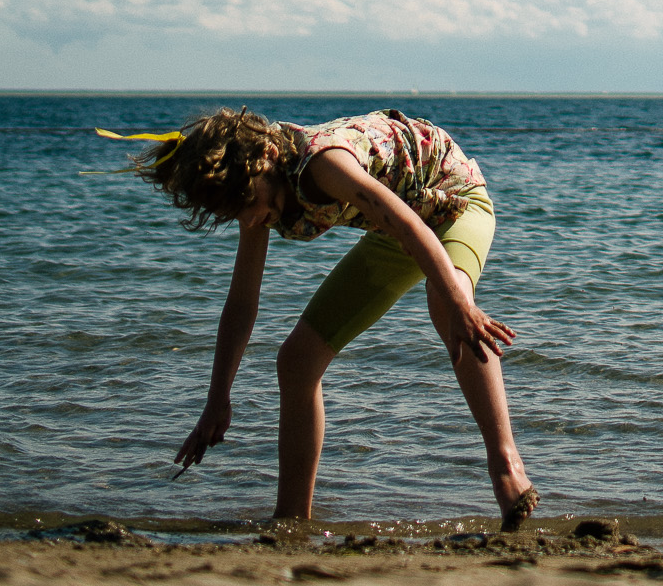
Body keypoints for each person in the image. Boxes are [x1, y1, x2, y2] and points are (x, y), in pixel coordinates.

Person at [117, 103, 537, 529]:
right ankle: (292, 518)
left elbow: (410, 223)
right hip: (396, 230)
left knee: (447, 303)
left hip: (453, 205)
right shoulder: (256, 193)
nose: (248, 217)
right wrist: (216, 399)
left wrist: (460, 303)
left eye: (246, 204)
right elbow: (242, 302)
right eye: (234, 213)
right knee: (297, 362)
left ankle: (507, 464)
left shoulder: (325, 163)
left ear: (263, 159)